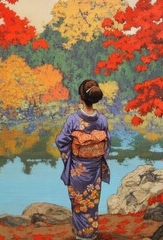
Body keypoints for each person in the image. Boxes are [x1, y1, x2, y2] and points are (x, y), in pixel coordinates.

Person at [55, 79, 111, 240]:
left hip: (78, 169)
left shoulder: (73, 119)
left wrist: (70, 156)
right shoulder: (102, 120)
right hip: (94, 169)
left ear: (81, 97)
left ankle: (81, 235)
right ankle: (91, 234)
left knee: (79, 202)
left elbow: (61, 141)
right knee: (92, 201)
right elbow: (107, 145)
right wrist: (96, 153)